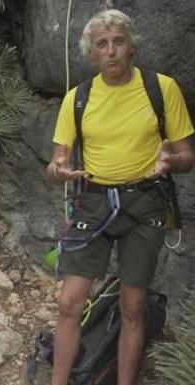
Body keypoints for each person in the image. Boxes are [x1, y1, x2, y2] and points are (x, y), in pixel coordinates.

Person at [46, 9, 194, 385]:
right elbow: (57, 161)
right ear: (92, 54)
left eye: (118, 42)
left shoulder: (161, 88)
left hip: (145, 202)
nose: (111, 51)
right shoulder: (77, 98)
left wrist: (170, 161)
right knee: (68, 303)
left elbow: (187, 156)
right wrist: (58, 169)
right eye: (102, 44)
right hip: (94, 203)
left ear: (131, 47)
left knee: (133, 307)